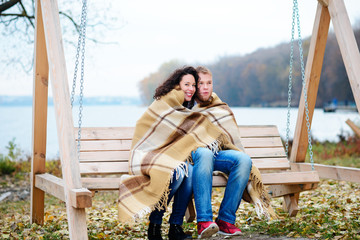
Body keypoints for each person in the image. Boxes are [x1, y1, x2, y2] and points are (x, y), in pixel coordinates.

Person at [191, 66, 276, 238]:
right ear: (194, 85)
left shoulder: (220, 107)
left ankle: (225, 220)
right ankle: (204, 222)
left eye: (209, 83)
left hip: (218, 154)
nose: (206, 87)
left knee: (243, 160)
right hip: (195, 156)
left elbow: (230, 139)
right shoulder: (187, 106)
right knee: (205, 154)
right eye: (201, 83)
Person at [118, 66, 199, 240]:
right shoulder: (163, 103)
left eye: (193, 85)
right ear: (177, 85)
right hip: (147, 157)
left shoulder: (186, 110)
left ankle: (175, 227)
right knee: (177, 171)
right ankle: (155, 224)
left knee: (188, 171)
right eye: (187, 84)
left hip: (170, 160)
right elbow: (144, 127)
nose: (191, 89)